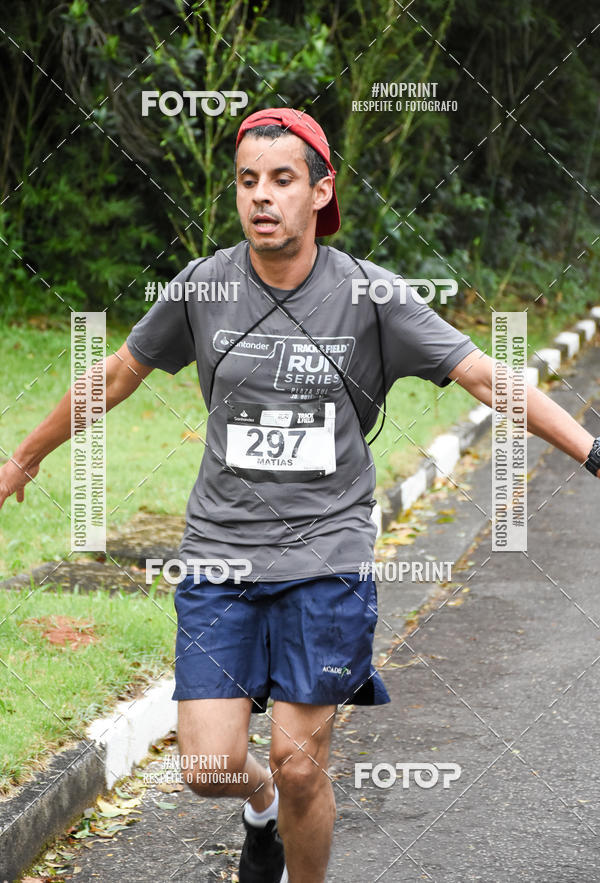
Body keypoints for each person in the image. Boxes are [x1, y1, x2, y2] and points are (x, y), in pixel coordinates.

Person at [1, 107, 599, 883]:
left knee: (301, 763)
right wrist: (23, 459)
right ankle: (260, 808)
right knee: (208, 766)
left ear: (321, 191)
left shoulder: (370, 296)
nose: (261, 195)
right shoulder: (205, 285)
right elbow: (116, 374)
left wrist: (592, 450)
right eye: (247, 180)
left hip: (326, 554)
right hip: (221, 552)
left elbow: (486, 376)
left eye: (282, 179)